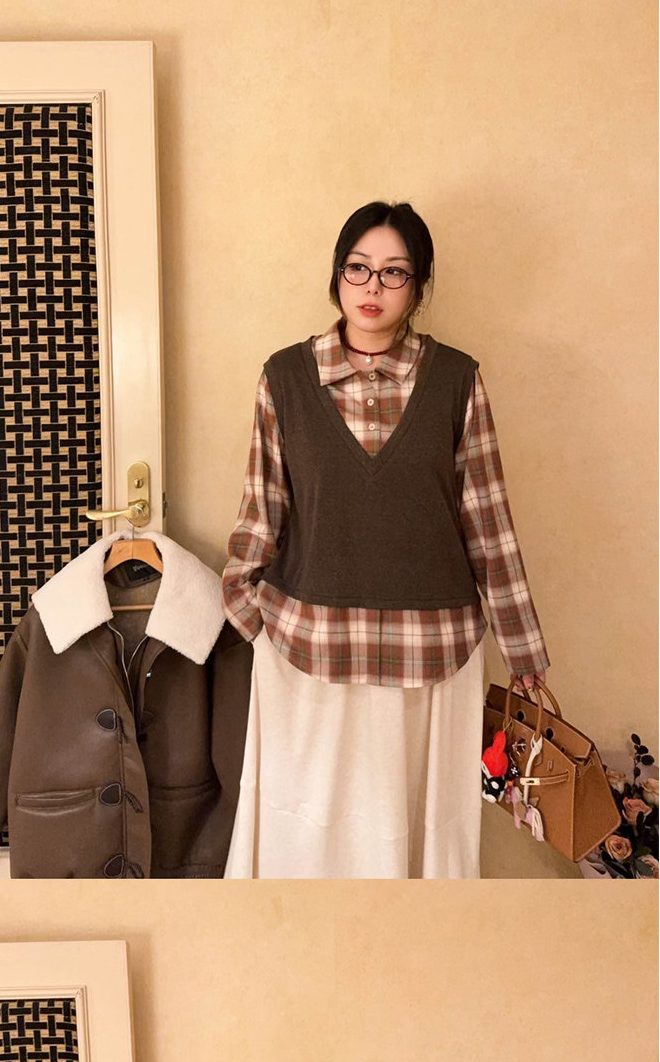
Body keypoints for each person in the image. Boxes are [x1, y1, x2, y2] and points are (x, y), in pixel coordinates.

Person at [224, 199, 548, 877]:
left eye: (394, 272)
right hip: (309, 655)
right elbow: (262, 510)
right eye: (359, 267)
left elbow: (488, 521)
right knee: (309, 839)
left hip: (432, 657)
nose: (373, 287)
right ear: (337, 275)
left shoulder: (456, 380)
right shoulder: (284, 378)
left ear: (418, 286)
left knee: (419, 839)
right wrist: (253, 620)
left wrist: (523, 654)